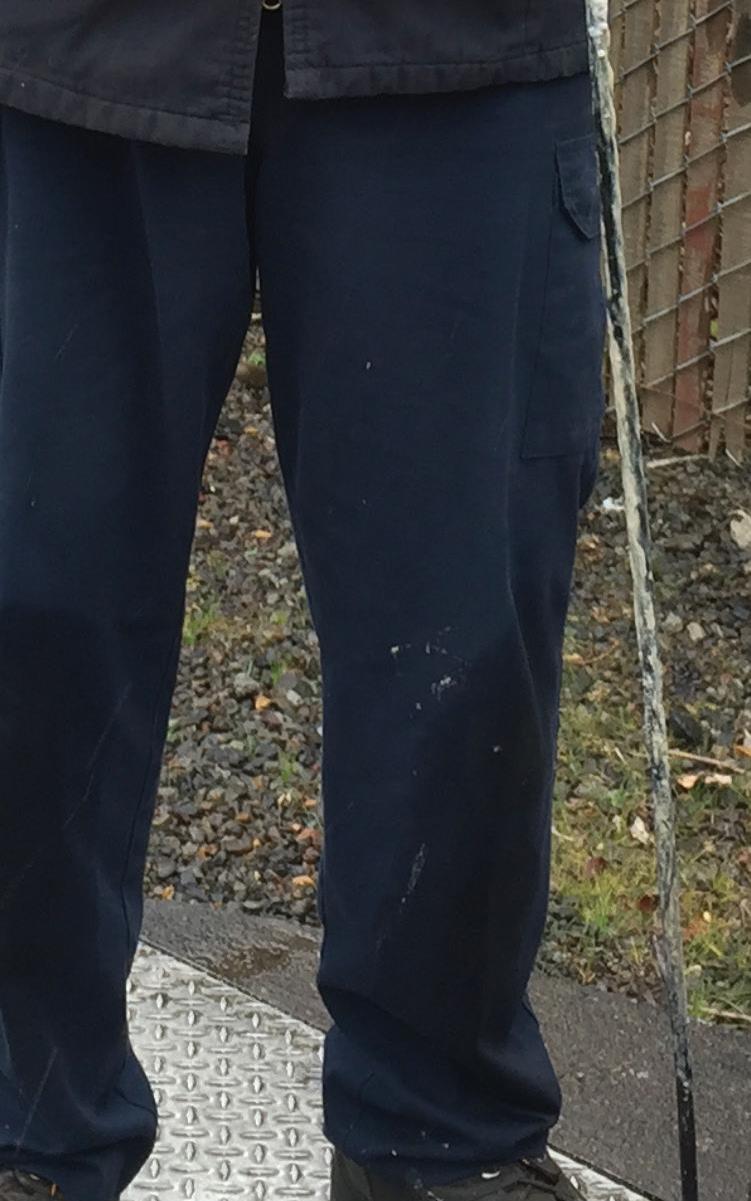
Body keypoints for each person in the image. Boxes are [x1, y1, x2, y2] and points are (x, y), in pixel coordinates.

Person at [0, 3, 606, 1200]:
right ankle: (23, 1125)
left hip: (447, 47)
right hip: (65, 45)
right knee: (30, 608)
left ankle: (440, 1138)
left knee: (462, 627)